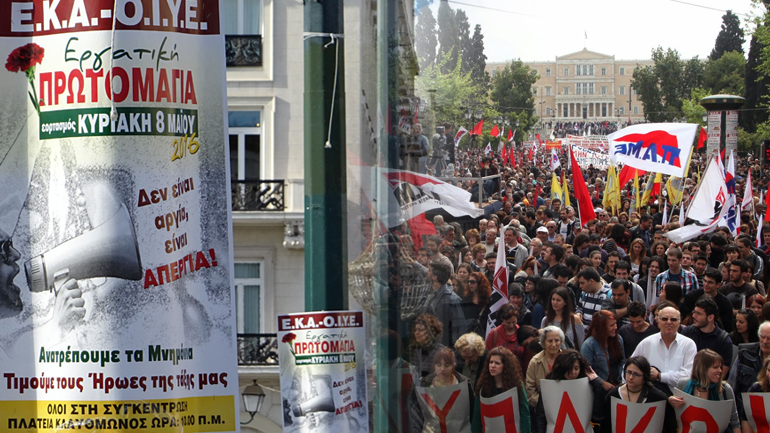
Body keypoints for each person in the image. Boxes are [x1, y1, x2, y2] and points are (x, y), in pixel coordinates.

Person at [668, 349, 743, 433]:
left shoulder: (725, 389)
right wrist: (671, 400)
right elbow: (676, 416)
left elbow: (734, 422)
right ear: (702, 368)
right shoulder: (683, 384)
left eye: (720, 367)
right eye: (715, 367)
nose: (720, 371)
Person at [532, 349, 605, 433]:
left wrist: (597, 383)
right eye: (569, 369)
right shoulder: (549, 386)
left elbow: (598, 415)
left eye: (576, 368)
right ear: (562, 368)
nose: (573, 372)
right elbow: (541, 417)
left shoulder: (589, 385)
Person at [631, 306, 697, 396]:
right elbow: (629, 368)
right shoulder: (646, 343)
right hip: (652, 399)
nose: (669, 322)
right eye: (665, 319)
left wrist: (660, 376)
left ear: (679, 322)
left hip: (681, 399)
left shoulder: (688, 344)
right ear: (658, 321)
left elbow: (689, 376)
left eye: (673, 319)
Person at [600, 356, 676, 433]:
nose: (631, 377)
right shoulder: (613, 394)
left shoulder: (658, 397)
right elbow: (606, 425)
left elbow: (670, 426)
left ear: (645, 376)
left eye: (636, 374)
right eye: (629, 372)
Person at [410, 347, 475, 433]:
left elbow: (472, 413)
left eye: (447, 365)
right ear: (434, 365)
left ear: (453, 365)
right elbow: (417, 415)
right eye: (439, 365)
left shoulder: (464, 384)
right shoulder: (425, 384)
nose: (442, 369)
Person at [472, 346, 530, 433]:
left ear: (505, 366)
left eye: (497, 363)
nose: (492, 366)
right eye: (491, 362)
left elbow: (524, 415)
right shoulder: (482, 386)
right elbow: (477, 417)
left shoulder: (517, 386)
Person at [680, 298, 733, 378]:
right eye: (694, 312)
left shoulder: (724, 340)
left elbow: (721, 373)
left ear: (710, 317)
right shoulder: (687, 332)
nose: (694, 316)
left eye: (698, 313)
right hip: (686, 379)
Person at [581, 310, 624, 391]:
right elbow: (586, 370)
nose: (615, 327)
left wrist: (622, 381)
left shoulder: (618, 340)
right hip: (598, 389)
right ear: (602, 328)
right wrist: (602, 383)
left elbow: (622, 362)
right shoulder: (589, 345)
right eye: (611, 325)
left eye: (615, 323)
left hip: (617, 386)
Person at [426, 261, 467, 347]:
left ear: (435, 277)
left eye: (429, 270)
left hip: (444, 349)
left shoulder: (452, 300)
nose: (427, 272)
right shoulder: (429, 294)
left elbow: (459, 329)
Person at [681, 268, 734, 333]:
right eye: (705, 281)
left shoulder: (725, 303)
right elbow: (684, 318)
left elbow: (727, 327)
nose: (706, 284)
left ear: (718, 285)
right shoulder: (691, 296)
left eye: (710, 282)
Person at [525, 326, 564, 409]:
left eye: (557, 340)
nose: (553, 344)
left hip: (564, 407)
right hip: (541, 410)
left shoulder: (568, 360)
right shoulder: (534, 362)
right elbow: (530, 390)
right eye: (550, 341)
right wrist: (546, 404)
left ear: (561, 342)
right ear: (543, 343)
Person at [485, 304, 528, 375]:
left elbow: (526, 357)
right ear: (502, 319)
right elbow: (487, 357)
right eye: (508, 323)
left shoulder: (521, 332)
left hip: (518, 375)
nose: (511, 325)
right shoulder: (494, 334)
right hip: (499, 375)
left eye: (514, 322)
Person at [408, 313, 446, 378]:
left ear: (429, 332)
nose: (416, 333)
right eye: (415, 330)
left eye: (420, 330)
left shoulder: (441, 351)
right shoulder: (413, 349)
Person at [461, 272, 492, 337]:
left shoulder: (488, 301)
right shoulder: (466, 300)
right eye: (468, 281)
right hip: (467, 335)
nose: (469, 284)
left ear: (480, 283)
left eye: (472, 282)